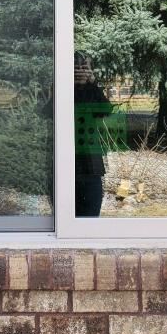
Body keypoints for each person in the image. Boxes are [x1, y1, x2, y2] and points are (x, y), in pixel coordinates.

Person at [74, 53, 114, 217]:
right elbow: (47, 113)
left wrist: (92, 83)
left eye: (85, 68)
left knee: (90, 216)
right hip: (65, 165)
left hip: (90, 164)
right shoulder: (61, 90)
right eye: (76, 68)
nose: (81, 71)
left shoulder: (92, 90)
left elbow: (106, 110)